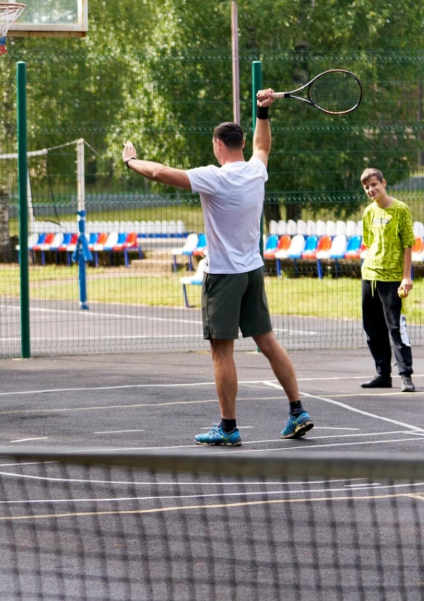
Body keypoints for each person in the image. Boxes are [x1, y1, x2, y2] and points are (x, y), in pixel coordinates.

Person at [120, 89, 311, 446]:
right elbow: (263, 146)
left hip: (223, 275)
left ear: (218, 145)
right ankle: (298, 409)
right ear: (239, 143)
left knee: (221, 352)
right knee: (267, 341)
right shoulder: (257, 171)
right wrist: (262, 112)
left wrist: (131, 161)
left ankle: (227, 428)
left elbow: (160, 172)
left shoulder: (215, 177)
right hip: (253, 270)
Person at [359, 168, 415, 392]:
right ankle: (382, 373)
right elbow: (369, 242)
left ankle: (406, 375)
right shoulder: (369, 212)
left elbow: (408, 244)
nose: (371, 190)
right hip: (370, 276)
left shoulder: (401, 209)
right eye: (367, 187)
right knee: (372, 327)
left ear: (383, 183)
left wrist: (406, 277)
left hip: (393, 279)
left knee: (395, 327)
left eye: (374, 184)